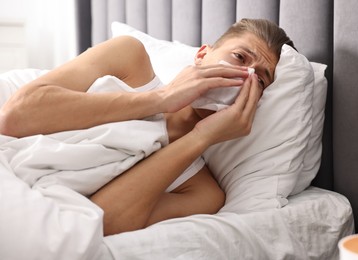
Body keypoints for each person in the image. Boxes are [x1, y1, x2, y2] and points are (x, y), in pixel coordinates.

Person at [0, 19, 294, 235]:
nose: (244, 76)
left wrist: (201, 137)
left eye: (260, 80)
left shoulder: (202, 193)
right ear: (203, 55)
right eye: (240, 58)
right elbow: (13, 117)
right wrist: (161, 99)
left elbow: (102, 222)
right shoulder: (129, 58)